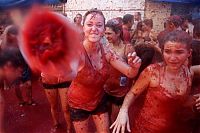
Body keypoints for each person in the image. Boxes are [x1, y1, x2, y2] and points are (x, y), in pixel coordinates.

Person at [67, 9, 141, 133]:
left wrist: (135, 67)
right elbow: (64, 73)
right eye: (89, 24)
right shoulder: (76, 53)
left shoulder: (106, 51)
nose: (94, 28)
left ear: (103, 30)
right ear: (83, 27)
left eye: (99, 25)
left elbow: (130, 73)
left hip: (98, 99)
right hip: (78, 104)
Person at [111, 30, 200, 133]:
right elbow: (133, 93)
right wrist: (123, 110)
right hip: (146, 129)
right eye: (168, 51)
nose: (172, 58)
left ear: (189, 53)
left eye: (179, 52)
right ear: (162, 51)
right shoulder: (152, 72)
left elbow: (178, 101)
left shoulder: (188, 73)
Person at [104, 18, 135, 123]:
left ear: (118, 33)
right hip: (107, 87)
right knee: (106, 117)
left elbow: (133, 71)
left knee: (115, 118)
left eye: (109, 33)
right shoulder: (107, 46)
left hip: (120, 91)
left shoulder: (128, 48)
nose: (106, 36)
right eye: (105, 33)